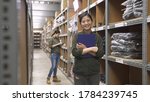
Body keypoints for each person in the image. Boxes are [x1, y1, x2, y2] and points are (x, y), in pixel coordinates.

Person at [72, 12, 104, 85]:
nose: (86, 23)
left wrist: (84, 49)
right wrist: (91, 49)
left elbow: (100, 54)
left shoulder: (97, 37)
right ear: (80, 23)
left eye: (88, 20)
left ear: (92, 21)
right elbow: (75, 53)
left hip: (94, 73)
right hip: (80, 72)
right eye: (83, 21)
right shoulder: (77, 36)